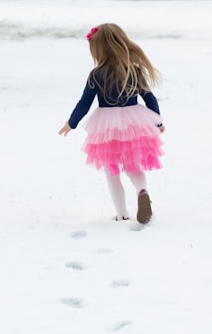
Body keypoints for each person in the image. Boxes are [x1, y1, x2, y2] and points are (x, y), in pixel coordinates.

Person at [58, 23, 165, 224]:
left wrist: (71, 124)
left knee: (112, 170)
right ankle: (142, 191)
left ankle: (122, 213)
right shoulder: (134, 70)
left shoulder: (96, 75)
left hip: (106, 126)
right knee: (133, 166)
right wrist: (157, 121)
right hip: (134, 122)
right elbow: (150, 98)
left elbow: (84, 104)